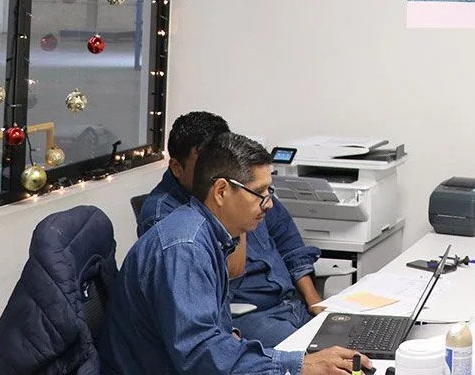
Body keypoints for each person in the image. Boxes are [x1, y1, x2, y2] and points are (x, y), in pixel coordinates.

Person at [98, 131, 362, 375]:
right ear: (221, 191)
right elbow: (200, 354)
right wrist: (298, 366)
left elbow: (209, 338)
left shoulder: (209, 234)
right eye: (259, 193)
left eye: (269, 191)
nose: (269, 204)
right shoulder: (185, 248)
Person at [141, 111, 328, 344]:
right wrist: (235, 217)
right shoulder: (173, 227)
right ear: (178, 168)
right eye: (205, 162)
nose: (267, 202)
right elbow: (200, 336)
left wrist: (316, 305)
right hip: (247, 317)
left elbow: (289, 243)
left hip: (290, 304)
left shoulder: (249, 191)